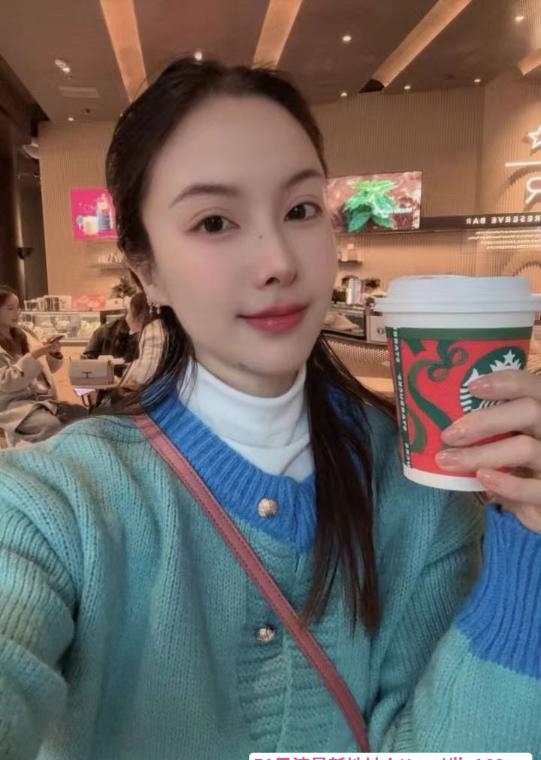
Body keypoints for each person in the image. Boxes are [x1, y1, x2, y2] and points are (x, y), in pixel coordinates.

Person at [0, 58, 539, 759]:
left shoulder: (422, 491)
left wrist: (530, 543)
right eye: (214, 221)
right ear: (146, 270)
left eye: (300, 210)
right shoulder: (58, 506)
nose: (279, 260)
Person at [0, 285, 86, 445]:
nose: (16, 313)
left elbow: (47, 368)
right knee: (50, 426)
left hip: (42, 400)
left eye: (18, 308)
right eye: (10, 309)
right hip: (13, 407)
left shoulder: (25, 334)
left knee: (83, 418)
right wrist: (36, 354)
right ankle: (43, 459)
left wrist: (52, 353)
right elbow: (7, 382)